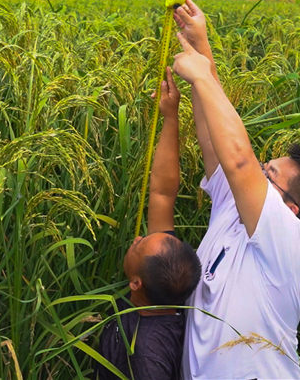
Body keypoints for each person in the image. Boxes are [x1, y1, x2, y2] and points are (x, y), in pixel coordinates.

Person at [171, 0, 300, 379]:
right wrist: (200, 43)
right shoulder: (234, 209)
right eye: (265, 165)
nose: (259, 171)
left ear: (290, 207)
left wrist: (202, 76)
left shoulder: (288, 239)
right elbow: (216, 142)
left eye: (270, 172)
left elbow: (240, 159)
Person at [95, 68, 202, 380]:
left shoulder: (148, 353)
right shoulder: (166, 285)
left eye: (138, 246)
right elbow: (162, 193)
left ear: (135, 283)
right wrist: (171, 118)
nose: (138, 237)